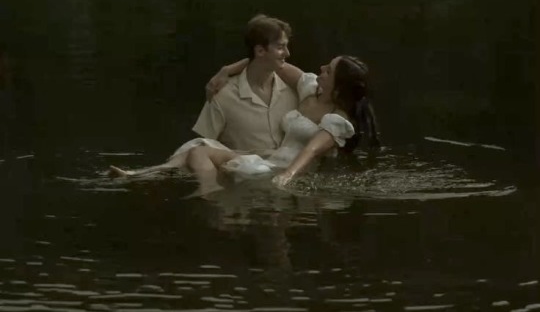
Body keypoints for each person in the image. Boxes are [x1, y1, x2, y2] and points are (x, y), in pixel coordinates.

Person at [108, 14, 299, 193]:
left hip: (286, 171)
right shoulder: (223, 95)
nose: (288, 53)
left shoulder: (294, 90)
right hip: (246, 174)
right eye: (281, 47)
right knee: (196, 147)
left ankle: (141, 174)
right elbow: (204, 147)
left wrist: (227, 69)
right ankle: (142, 174)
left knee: (196, 148)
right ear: (260, 50)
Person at [210, 54, 380, 187]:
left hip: (290, 171)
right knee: (202, 149)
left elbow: (311, 150)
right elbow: (270, 61)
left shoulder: (337, 120)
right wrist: (226, 70)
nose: (321, 68)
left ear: (337, 88)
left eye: (328, 71)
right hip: (271, 160)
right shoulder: (309, 88)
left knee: (212, 158)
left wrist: (287, 176)